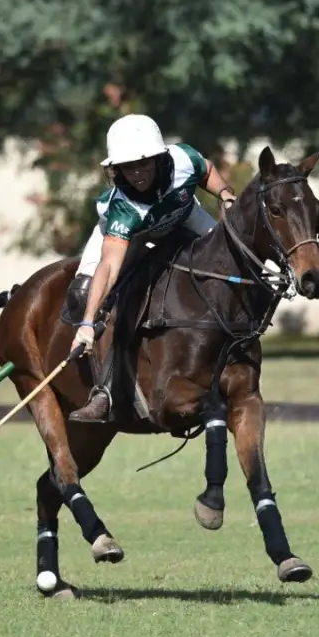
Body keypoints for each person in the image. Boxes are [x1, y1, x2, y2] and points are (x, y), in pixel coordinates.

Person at [65, 113, 236, 424]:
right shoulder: (123, 208)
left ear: (160, 157)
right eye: (128, 166)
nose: (137, 173)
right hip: (132, 234)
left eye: (143, 163)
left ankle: (238, 352)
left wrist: (225, 194)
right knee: (86, 294)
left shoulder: (184, 158)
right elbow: (110, 265)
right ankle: (104, 391)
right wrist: (88, 322)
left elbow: (207, 171)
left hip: (181, 217)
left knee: (228, 261)